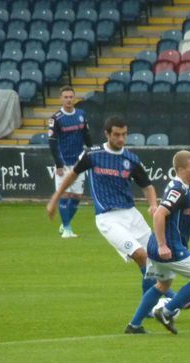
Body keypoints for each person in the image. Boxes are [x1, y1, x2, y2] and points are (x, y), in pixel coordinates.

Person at [47, 115, 161, 300]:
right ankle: (170, 296)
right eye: (116, 134)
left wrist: (153, 205)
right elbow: (73, 175)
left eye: (124, 134)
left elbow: (147, 185)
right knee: (140, 255)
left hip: (132, 214)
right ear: (107, 134)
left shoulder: (131, 159)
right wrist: (55, 198)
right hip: (108, 218)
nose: (121, 139)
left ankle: (149, 305)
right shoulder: (93, 154)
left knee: (155, 257)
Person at [125, 150, 190, 334]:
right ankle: (167, 311)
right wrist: (163, 244)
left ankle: (134, 325)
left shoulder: (180, 187)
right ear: (181, 169)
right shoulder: (178, 189)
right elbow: (159, 214)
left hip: (157, 247)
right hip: (171, 248)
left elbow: (184, 213)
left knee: (162, 286)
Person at [48, 85, 92, 238]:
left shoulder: (81, 114)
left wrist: (92, 152)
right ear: (61, 99)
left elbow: (86, 135)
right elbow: (52, 142)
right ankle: (67, 228)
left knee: (77, 197)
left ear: (74, 98)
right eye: (65, 97)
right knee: (65, 195)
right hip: (63, 162)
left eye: (70, 97)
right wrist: (58, 164)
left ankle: (64, 223)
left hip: (79, 162)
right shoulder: (56, 119)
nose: (68, 100)